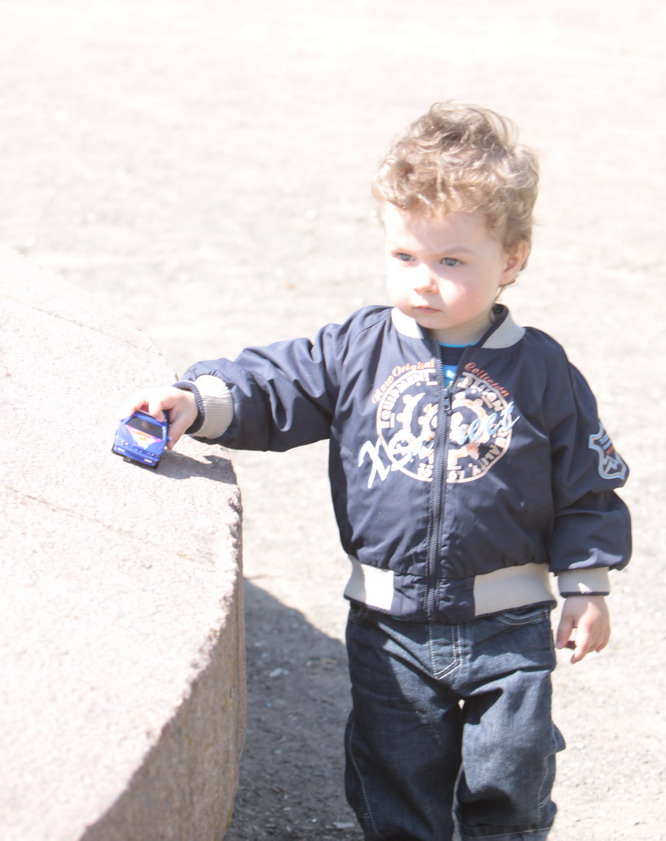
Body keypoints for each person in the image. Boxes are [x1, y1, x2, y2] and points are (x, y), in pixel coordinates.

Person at [125, 102, 632, 841]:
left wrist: (586, 586)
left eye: (452, 261)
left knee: (511, 777)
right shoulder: (358, 348)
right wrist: (198, 402)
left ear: (511, 260)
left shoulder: (542, 369)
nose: (423, 281)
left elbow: (585, 484)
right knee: (397, 780)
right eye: (405, 257)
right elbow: (279, 386)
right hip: (389, 623)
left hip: (509, 621)